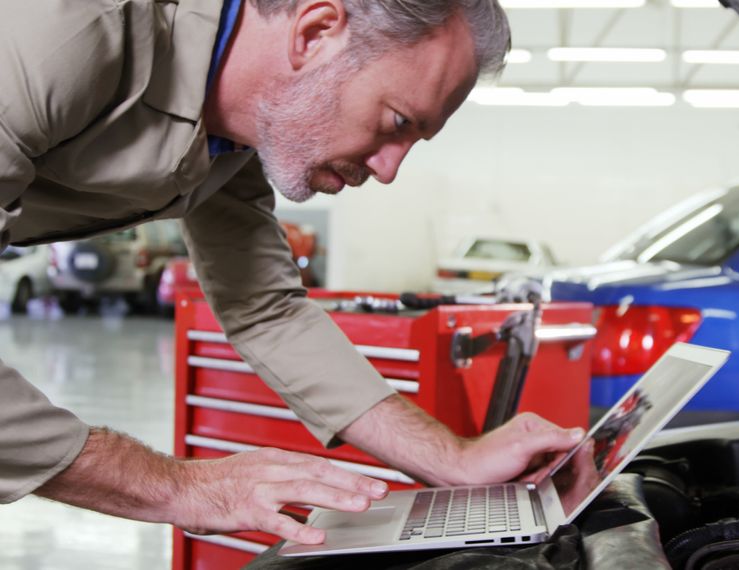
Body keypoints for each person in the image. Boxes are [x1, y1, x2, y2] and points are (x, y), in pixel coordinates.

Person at [0, 0, 584, 546]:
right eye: (397, 120)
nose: (389, 170)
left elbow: (266, 309)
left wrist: (453, 458)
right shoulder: (64, 31)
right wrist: (179, 485)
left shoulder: (233, 138)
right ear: (315, 33)